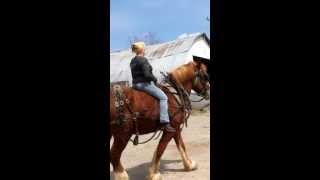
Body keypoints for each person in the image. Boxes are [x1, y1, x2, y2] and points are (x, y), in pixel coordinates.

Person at [130, 42, 175, 132]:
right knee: (163, 97)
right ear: (142, 50)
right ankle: (164, 121)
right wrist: (155, 79)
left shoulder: (133, 61)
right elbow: (147, 75)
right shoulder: (143, 60)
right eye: (144, 48)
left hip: (135, 85)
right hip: (144, 84)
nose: (145, 50)